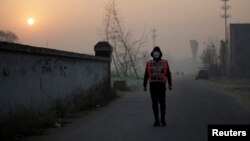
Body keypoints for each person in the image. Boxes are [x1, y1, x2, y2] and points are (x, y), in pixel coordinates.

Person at [143, 46, 172, 127]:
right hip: (152, 86)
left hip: (162, 86)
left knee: (162, 103)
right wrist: (144, 85)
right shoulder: (149, 63)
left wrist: (170, 84)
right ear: (152, 54)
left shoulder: (165, 62)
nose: (156, 54)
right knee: (154, 103)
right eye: (155, 52)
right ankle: (156, 120)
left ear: (160, 54)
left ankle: (163, 119)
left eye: (157, 52)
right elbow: (146, 75)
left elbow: (168, 74)